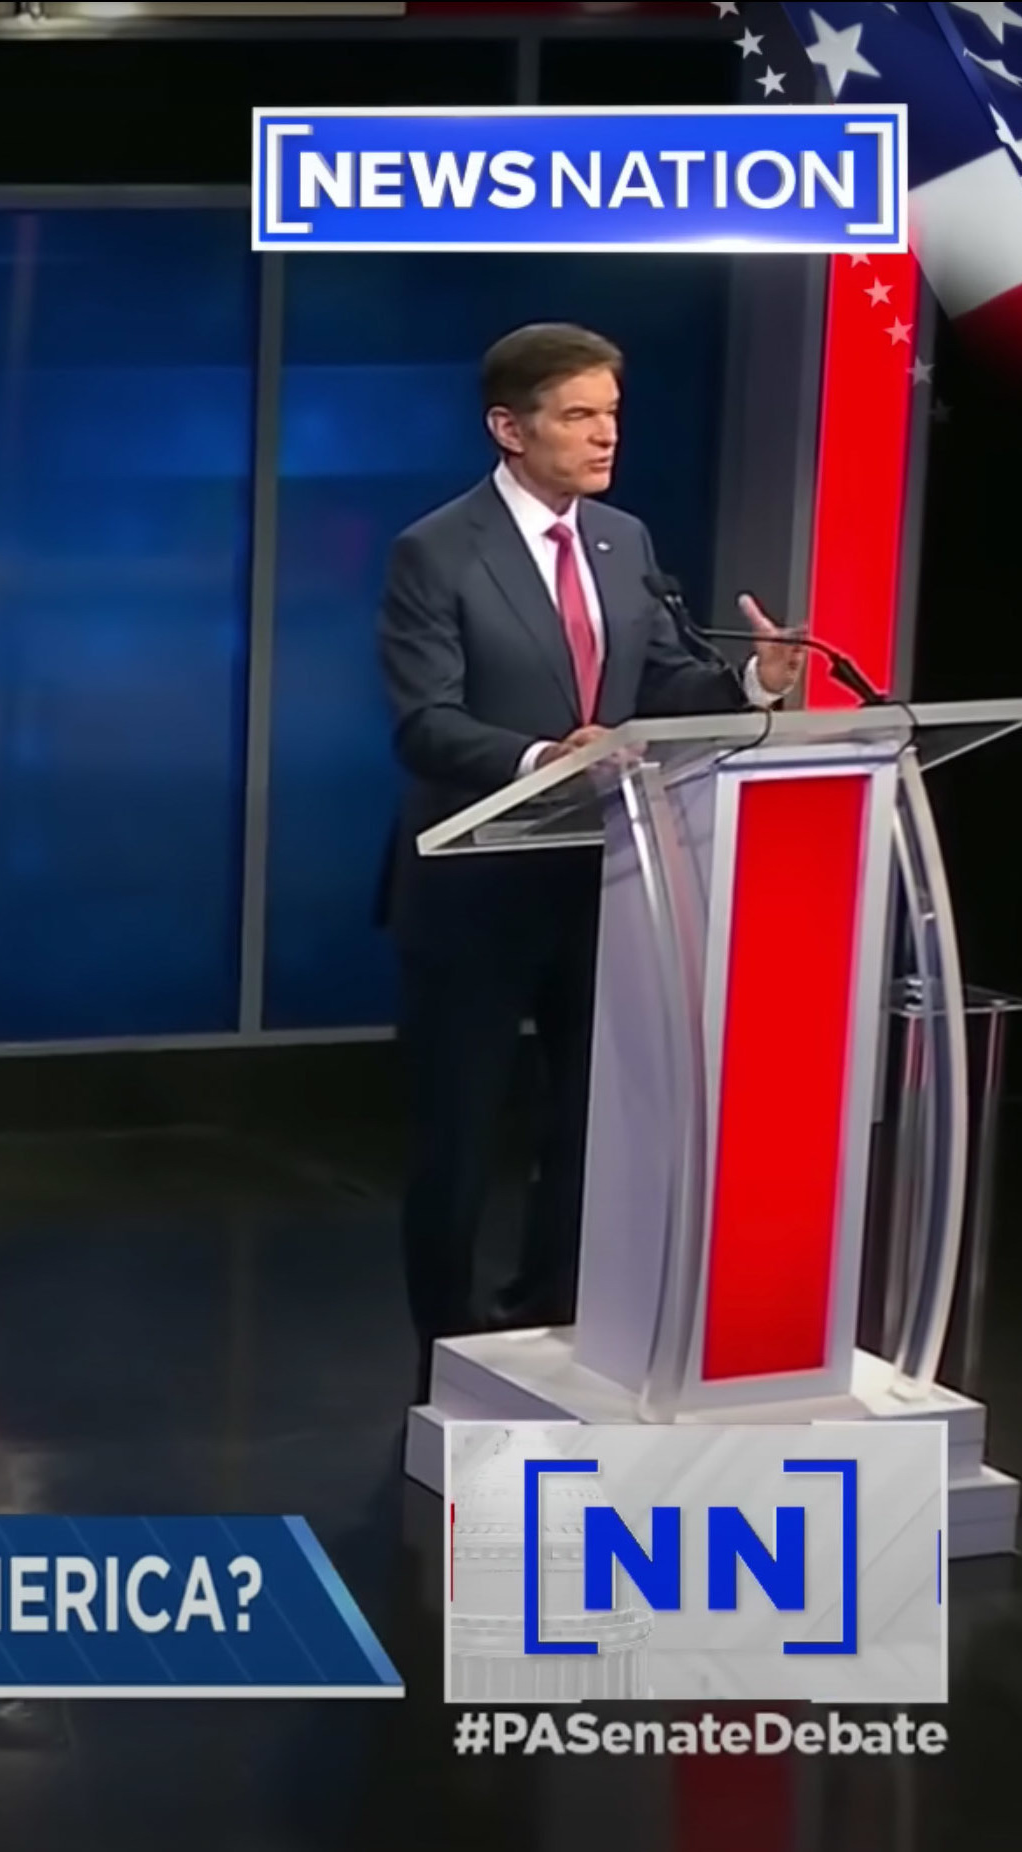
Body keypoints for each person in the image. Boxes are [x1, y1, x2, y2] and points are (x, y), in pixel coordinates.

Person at [375, 321, 805, 1403]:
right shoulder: (436, 550)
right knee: (458, 1138)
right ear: (508, 428)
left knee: (587, 1125)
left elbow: (662, 682)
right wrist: (540, 757)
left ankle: (550, 1326)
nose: (605, 435)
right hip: (473, 889)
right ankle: (444, 1357)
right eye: (578, 416)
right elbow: (425, 722)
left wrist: (753, 682)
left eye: (610, 414)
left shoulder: (621, 538)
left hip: (602, 879)